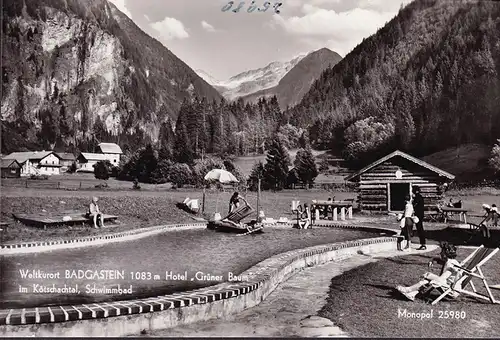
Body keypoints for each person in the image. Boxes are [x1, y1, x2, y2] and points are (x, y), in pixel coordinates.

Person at [396, 242, 462, 301]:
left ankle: (408, 290)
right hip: (448, 286)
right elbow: (438, 260)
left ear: (446, 252)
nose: (440, 253)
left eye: (442, 251)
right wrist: (432, 259)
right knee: (428, 280)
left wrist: (429, 275)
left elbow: (441, 279)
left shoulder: (451, 264)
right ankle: (412, 294)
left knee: (429, 279)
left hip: (452, 291)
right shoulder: (450, 261)